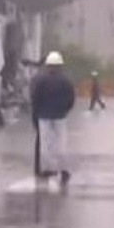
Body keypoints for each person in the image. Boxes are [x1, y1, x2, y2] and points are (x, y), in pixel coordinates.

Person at [31, 51, 76, 184]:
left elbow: (35, 98)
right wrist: (65, 110)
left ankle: (48, 169)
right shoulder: (66, 81)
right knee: (61, 143)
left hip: (44, 116)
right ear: (60, 66)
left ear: (48, 66)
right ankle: (63, 170)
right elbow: (71, 99)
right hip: (60, 116)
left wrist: (37, 113)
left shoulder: (41, 81)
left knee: (46, 144)